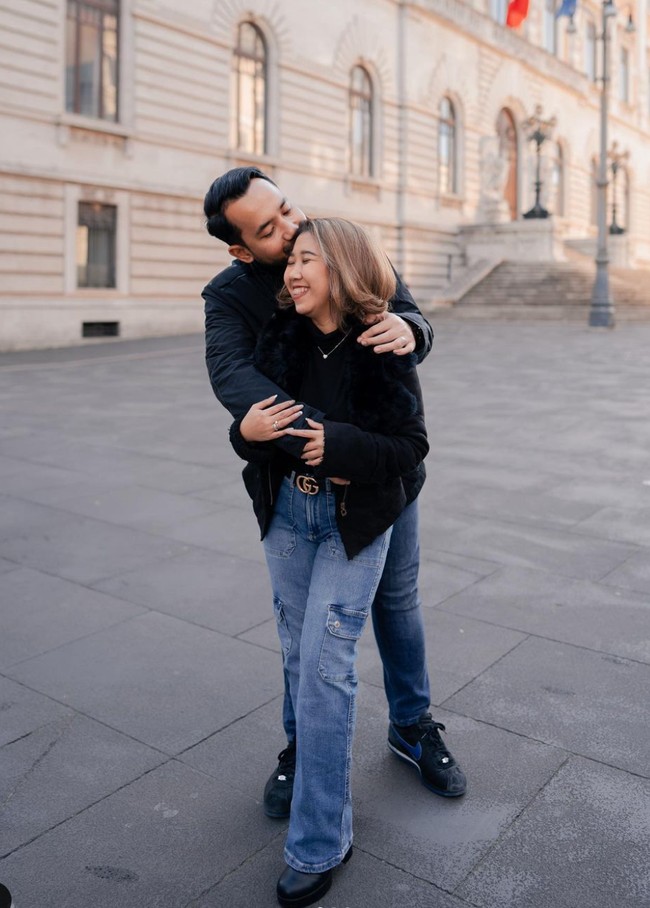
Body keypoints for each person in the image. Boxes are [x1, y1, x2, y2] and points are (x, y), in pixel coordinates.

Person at [202, 167, 466, 820]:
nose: (291, 230)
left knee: (397, 601)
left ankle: (412, 725)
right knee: (303, 634)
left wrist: (414, 332)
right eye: (269, 230)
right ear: (241, 249)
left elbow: (402, 312)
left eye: (287, 209)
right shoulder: (230, 296)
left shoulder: (341, 244)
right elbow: (236, 381)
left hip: (384, 480)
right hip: (292, 489)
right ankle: (302, 749)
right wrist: (308, 441)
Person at [230, 216, 429, 907]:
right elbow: (257, 436)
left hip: (354, 525)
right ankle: (305, 775)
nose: (292, 271)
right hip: (289, 518)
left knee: (322, 668)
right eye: (291, 261)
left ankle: (319, 842)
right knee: (297, 657)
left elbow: (409, 446)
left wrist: (340, 447)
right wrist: (243, 431)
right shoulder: (280, 336)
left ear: (342, 268)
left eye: (308, 259)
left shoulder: (382, 343)